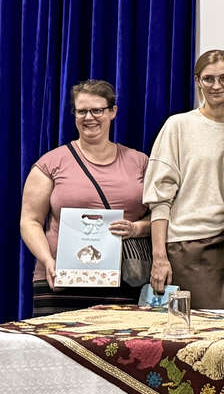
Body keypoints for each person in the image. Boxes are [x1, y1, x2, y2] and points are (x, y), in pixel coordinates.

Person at [19, 79, 149, 316]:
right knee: (54, 350)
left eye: (97, 110)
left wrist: (136, 228)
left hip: (124, 282)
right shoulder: (50, 163)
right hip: (60, 279)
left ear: (113, 112)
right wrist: (48, 260)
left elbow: (160, 218)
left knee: (119, 352)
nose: (90, 117)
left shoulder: (139, 162)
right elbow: (30, 221)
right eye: (82, 111)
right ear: (74, 114)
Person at [143, 50, 224, 309]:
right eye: (209, 79)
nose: (217, 86)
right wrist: (159, 257)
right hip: (186, 245)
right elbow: (159, 198)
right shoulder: (178, 126)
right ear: (197, 81)